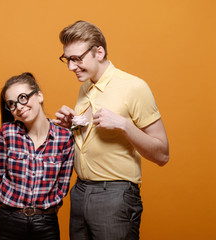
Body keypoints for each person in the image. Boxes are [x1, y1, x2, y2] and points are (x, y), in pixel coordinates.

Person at [52, 20, 169, 240]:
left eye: (77, 59)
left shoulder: (134, 87)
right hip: (79, 191)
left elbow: (163, 154)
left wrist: (125, 125)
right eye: (67, 60)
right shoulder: (84, 87)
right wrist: (73, 125)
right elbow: (95, 135)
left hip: (114, 195)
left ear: (99, 52)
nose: (70, 67)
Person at [0, 72, 74, 240]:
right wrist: (8, 210)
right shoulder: (7, 133)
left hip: (46, 223)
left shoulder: (65, 138)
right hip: (9, 221)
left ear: (39, 95)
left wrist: (45, 211)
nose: (19, 107)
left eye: (23, 98)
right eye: (12, 104)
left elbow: (62, 185)